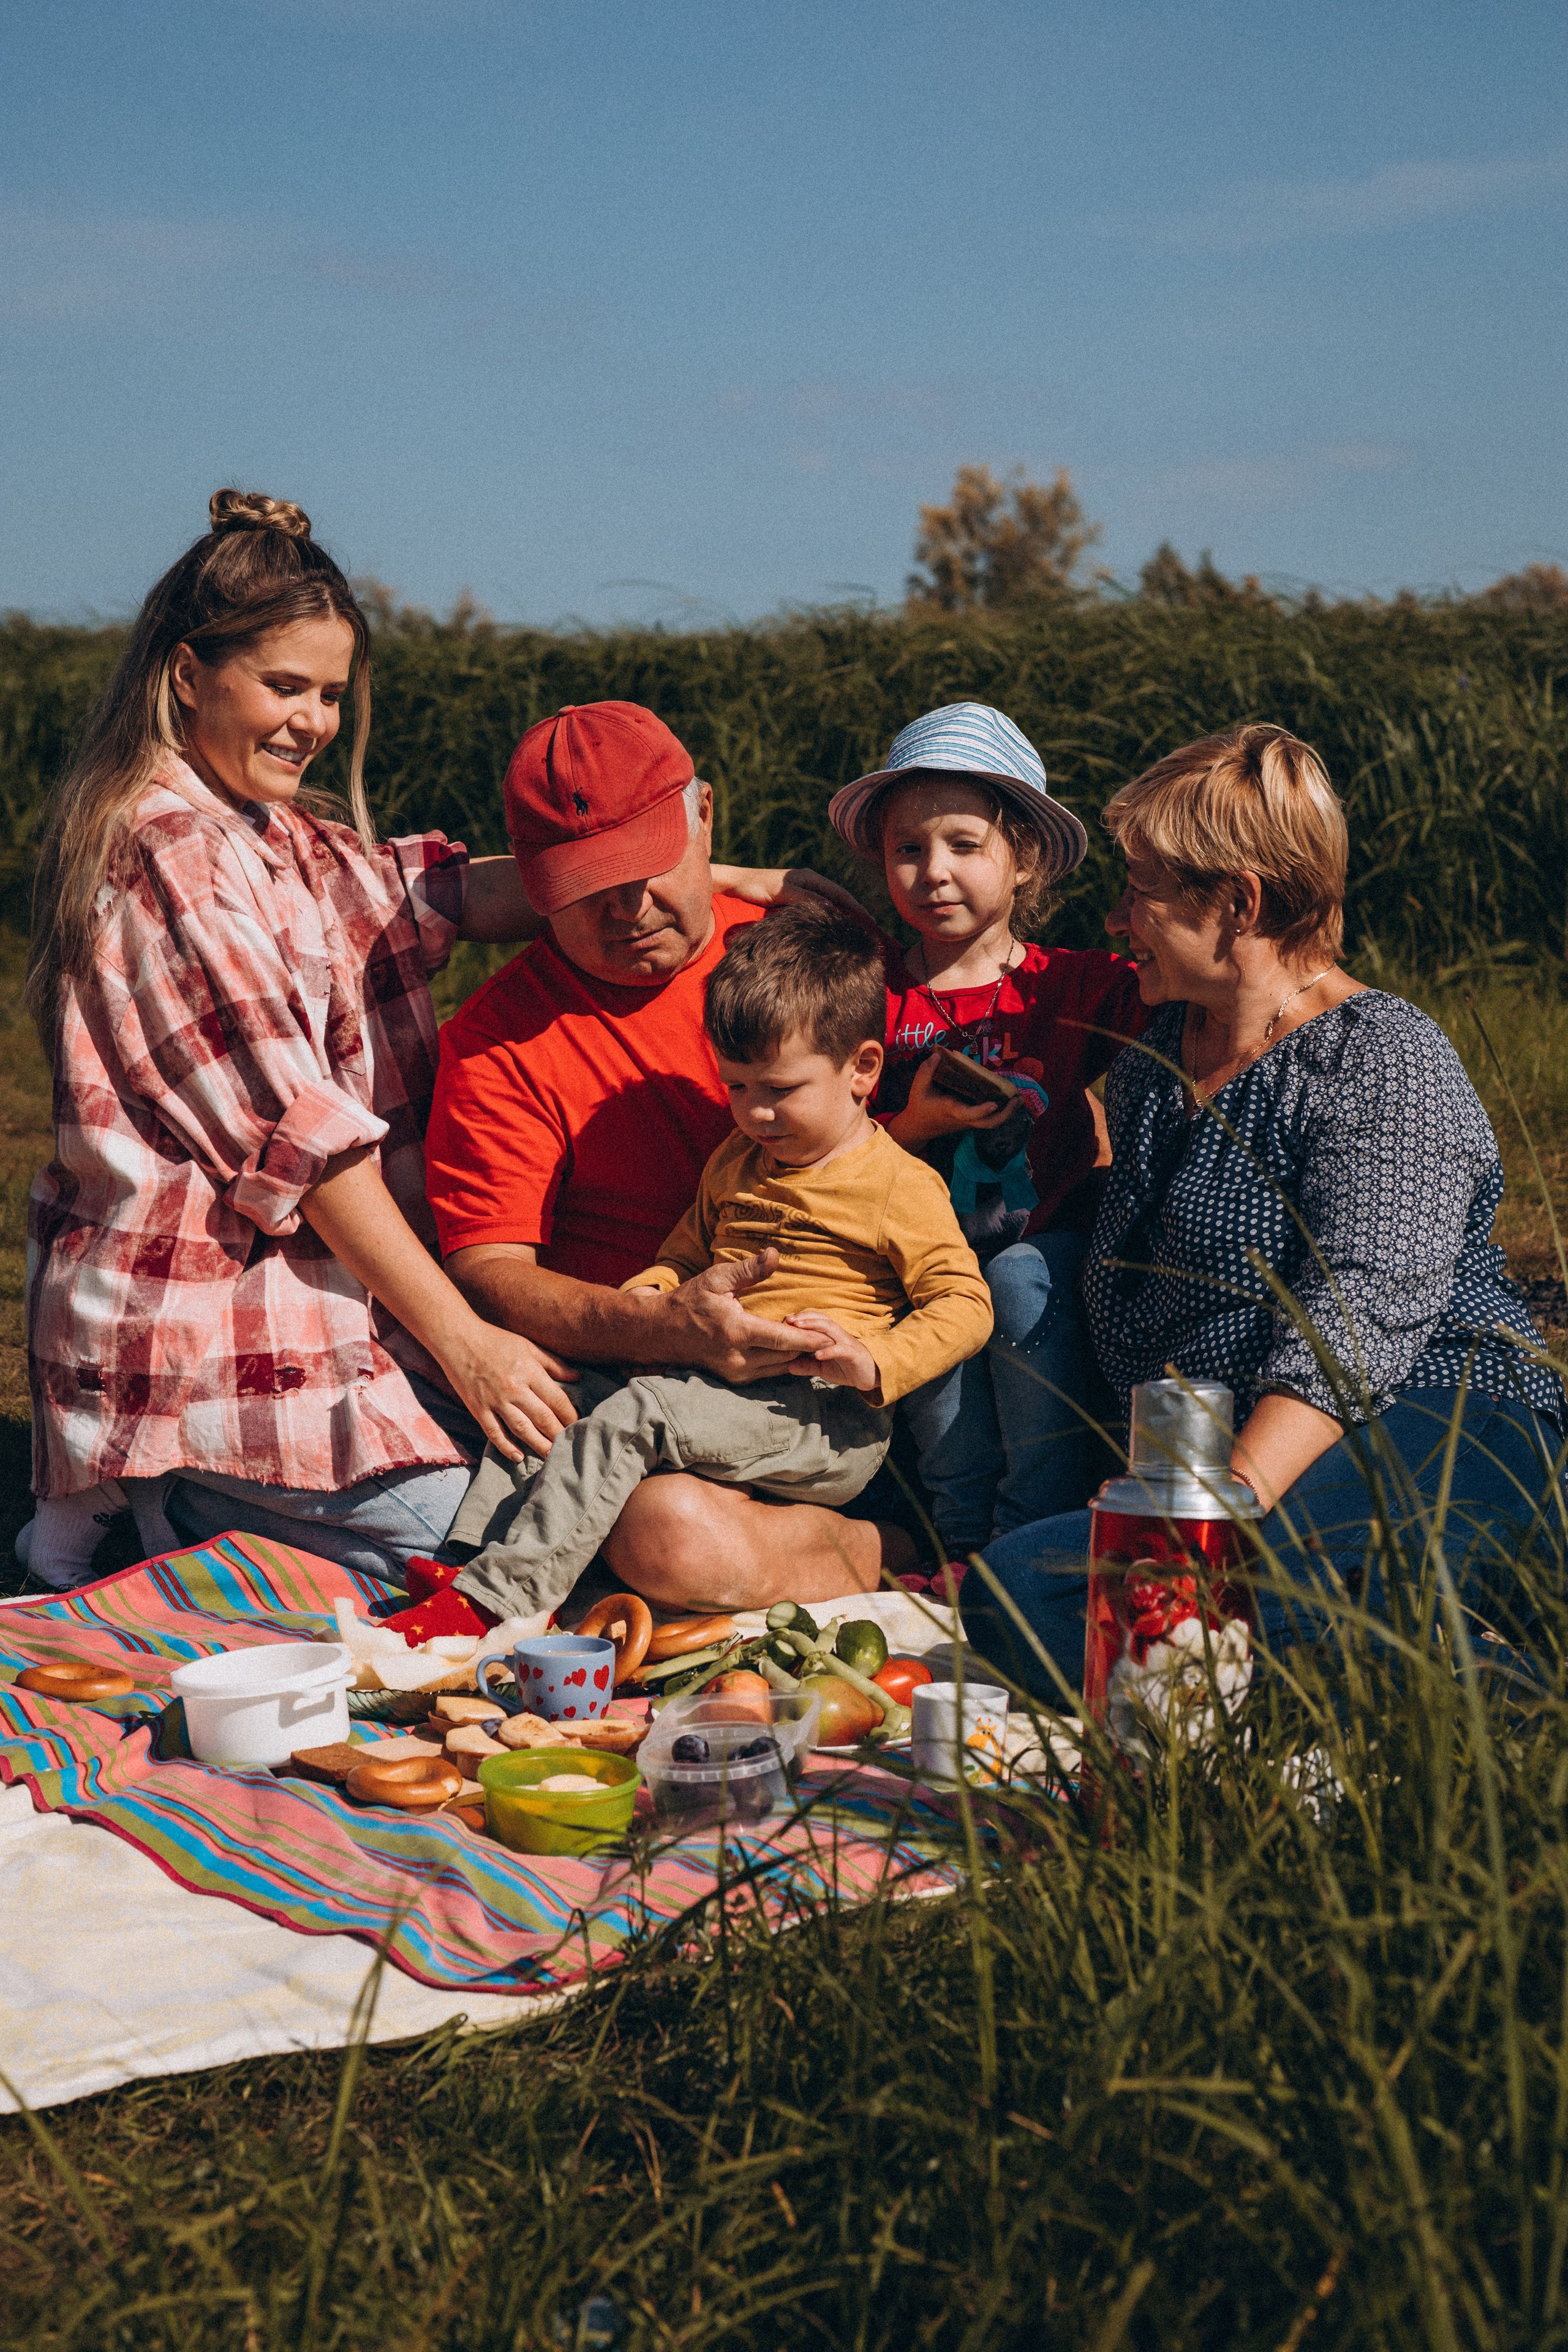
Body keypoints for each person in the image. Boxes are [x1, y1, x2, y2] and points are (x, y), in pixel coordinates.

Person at [21, 496, 811, 1592]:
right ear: (187, 674)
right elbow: (313, 1150)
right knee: (503, 1548)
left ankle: (182, 1513)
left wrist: (699, 874)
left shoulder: (276, 835)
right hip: (215, 1338)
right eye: (282, 686)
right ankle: (159, 1510)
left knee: (562, 1500)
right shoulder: (172, 860)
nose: (311, 721)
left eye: (331, 694)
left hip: (335, 1308)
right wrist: (466, 1343)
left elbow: (435, 891)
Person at [960, 724, 1567, 1695]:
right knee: (1021, 1587)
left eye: (1142, 890)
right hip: (1255, 1464)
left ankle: (1489, 1689)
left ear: (1237, 903)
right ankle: (1430, 1639)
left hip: (1434, 1422)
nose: (1119, 918)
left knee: (1063, 1604)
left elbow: (1362, 1316)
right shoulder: (1164, 1058)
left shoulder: (1379, 1057)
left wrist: (1214, 1511)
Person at [423, 699, 929, 1610]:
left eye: (649, 867)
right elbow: (492, 1271)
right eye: (588, 884)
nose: (629, 908)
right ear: (532, 884)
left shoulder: (797, 954)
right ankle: (890, 1550)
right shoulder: (496, 1040)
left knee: (666, 1535)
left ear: (704, 815)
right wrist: (669, 1327)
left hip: (846, 1379)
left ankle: (901, 1539)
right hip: (641, 1386)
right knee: (666, 1532)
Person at [442, 899, 992, 1624]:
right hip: (714, 1392)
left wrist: (877, 1360)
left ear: (862, 1070)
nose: (754, 1112)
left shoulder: (896, 1184)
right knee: (555, 1399)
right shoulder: (738, 1159)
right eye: (736, 1087)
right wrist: (652, 1295)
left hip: (818, 1414)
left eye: (779, 1091)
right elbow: (683, 1253)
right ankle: (463, 1566)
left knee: (636, 1412)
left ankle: (496, 1606)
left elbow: (965, 1302)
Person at [826, 703, 1145, 1555]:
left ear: (1025, 859)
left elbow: (1186, 995)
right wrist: (915, 1125)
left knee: (1015, 1282)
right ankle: (960, 1551)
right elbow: (836, 1158)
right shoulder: (871, 992)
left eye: (964, 845)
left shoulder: (1068, 986)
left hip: (1042, 1249)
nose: (934, 872)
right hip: (921, 1257)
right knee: (938, 1330)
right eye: (908, 848)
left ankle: (1033, 1539)